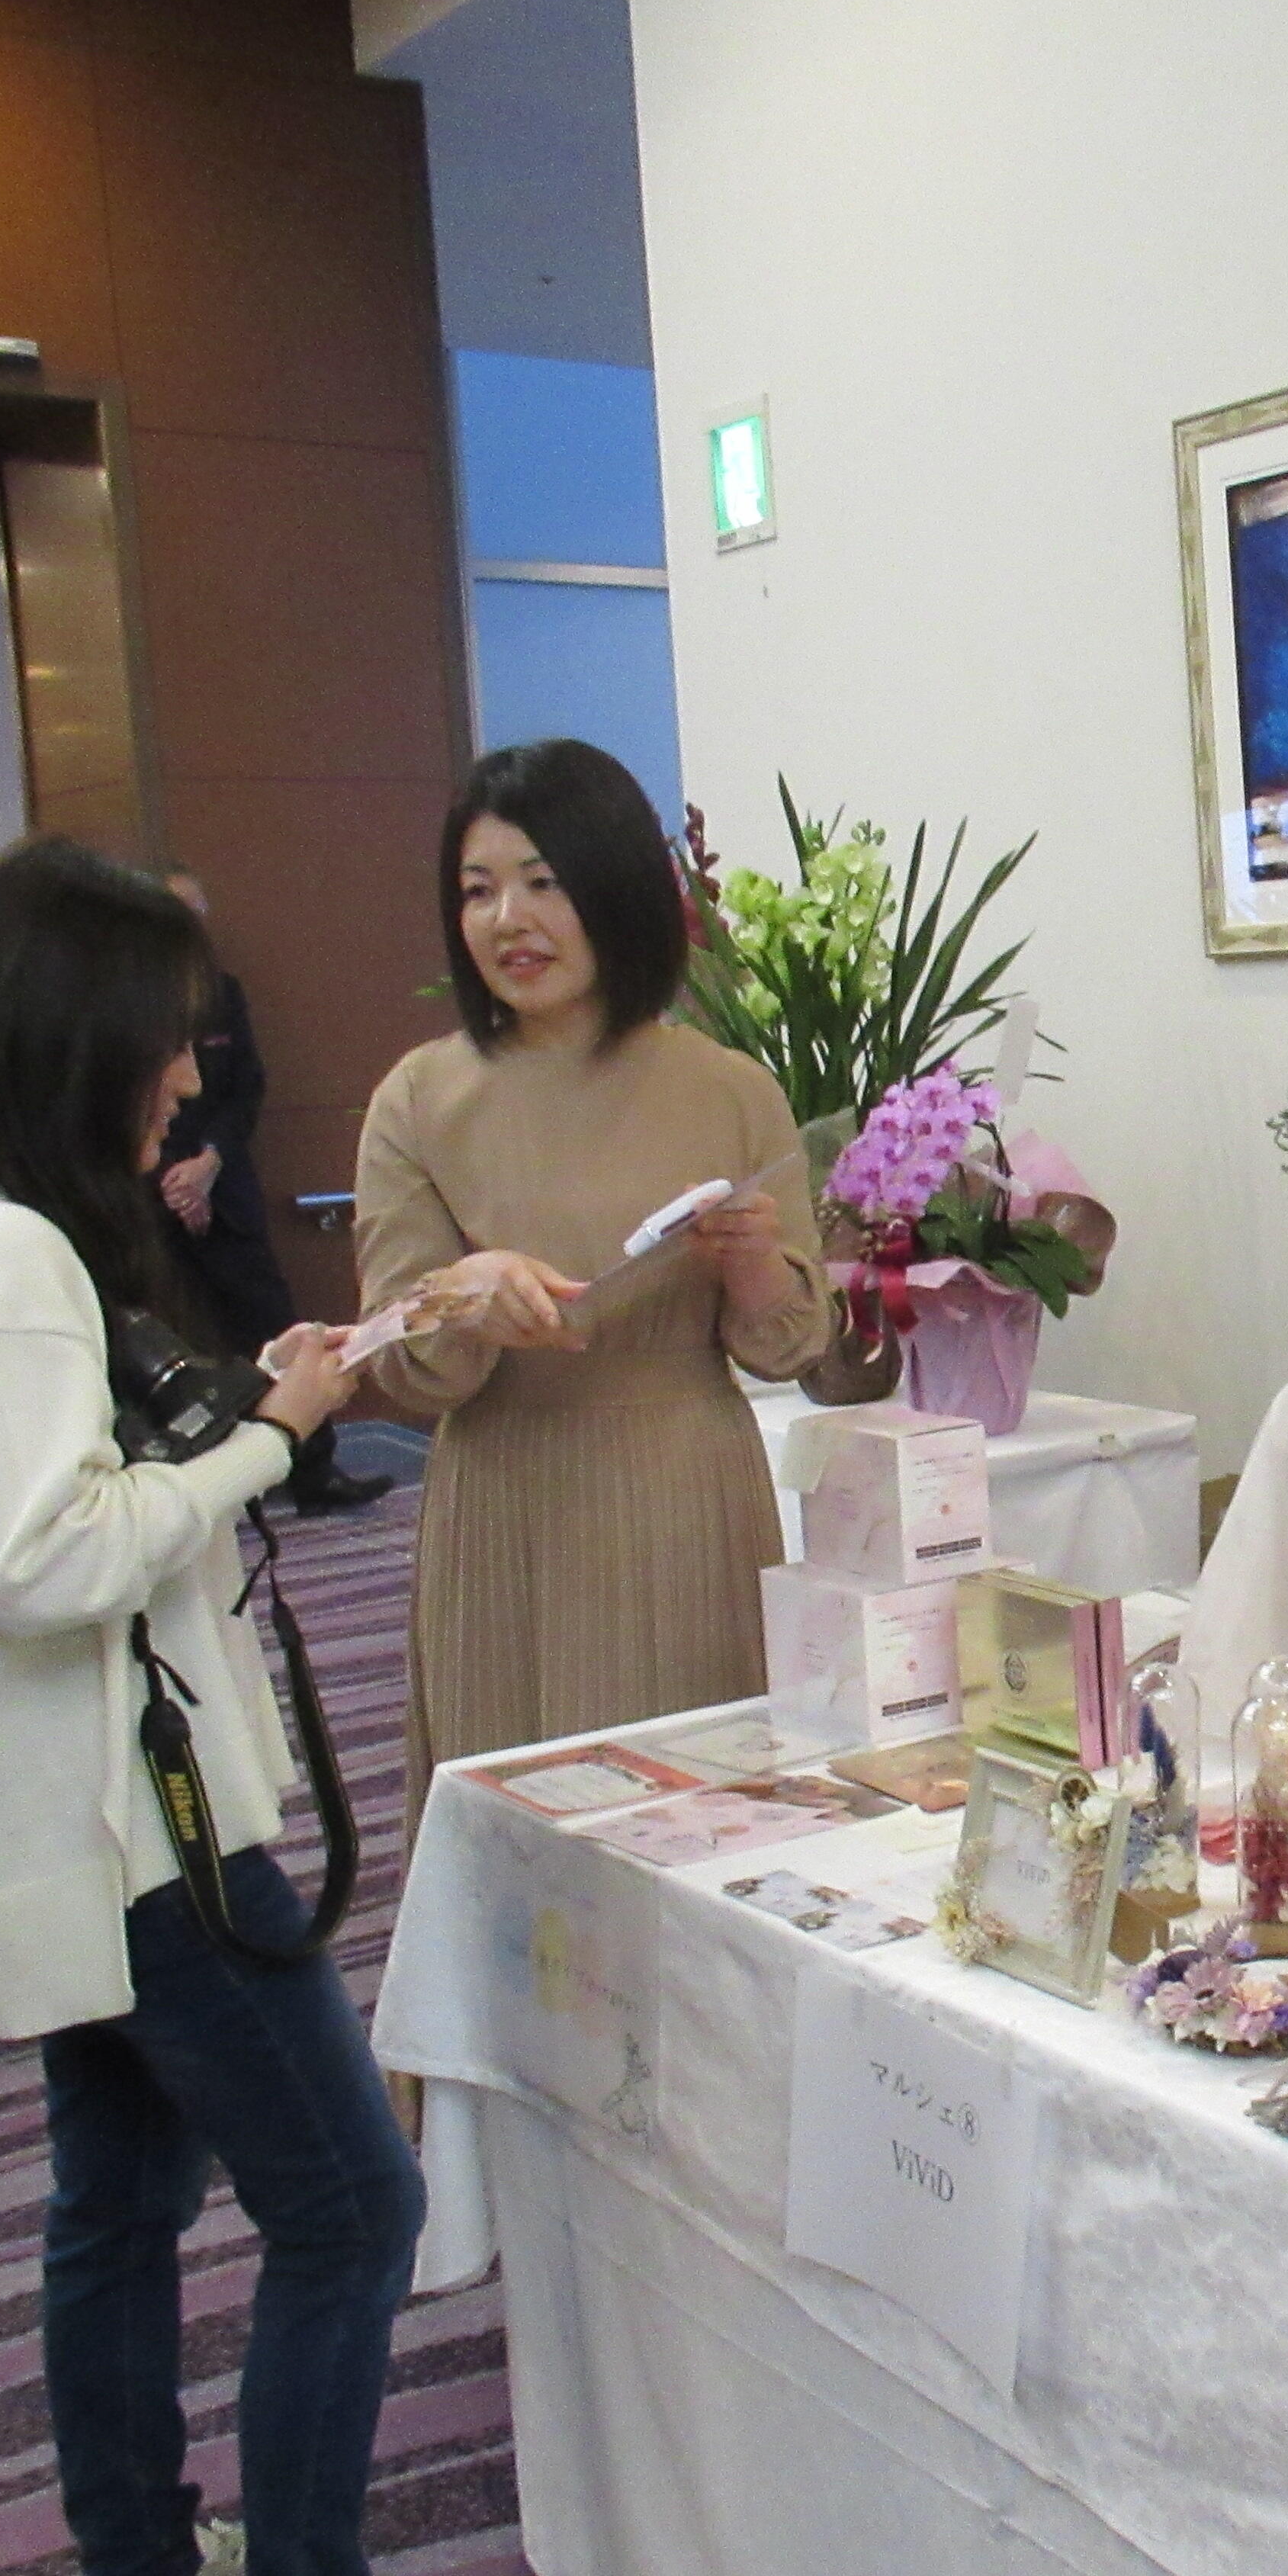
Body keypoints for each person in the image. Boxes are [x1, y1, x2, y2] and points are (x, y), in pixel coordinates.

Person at [0, 837, 539, 2576]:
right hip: (138, 1835)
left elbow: (45, 1501)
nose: (183, 1075)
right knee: (354, 2213)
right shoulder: (4, 1260)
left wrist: (251, 1399)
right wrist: (268, 1443)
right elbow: (42, 1556)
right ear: (70, 1034)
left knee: (122, 2195)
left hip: (70, 1829)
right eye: (165, 1039)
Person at [352, 739, 831, 1810]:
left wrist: (756, 1265)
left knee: (700, 1815)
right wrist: (467, 1296)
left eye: (543, 883)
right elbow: (397, 1355)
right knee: (521, 1815)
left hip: (685, 1492)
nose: (507, 920)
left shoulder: (733, 1090)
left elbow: (792, 1346)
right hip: (506, 1497)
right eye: (477, 891)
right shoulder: (419, 1099)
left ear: (615, 890)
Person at [149, 874, 388, 1518]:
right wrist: (173, 1179)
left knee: (274, 1321)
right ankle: (199, 1483)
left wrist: (208, 1165)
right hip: (153, 1198)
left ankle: (313, 1470)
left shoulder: (222, 993)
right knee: (171, 1337)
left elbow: (245, 1087)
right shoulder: (125, 999)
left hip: (224, 1188)